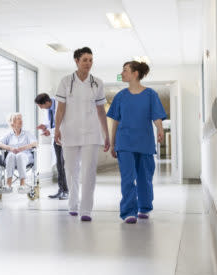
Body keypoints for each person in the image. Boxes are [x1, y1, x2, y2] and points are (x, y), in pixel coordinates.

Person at [107, 61, 167, 224]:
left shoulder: (150, 94)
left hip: (145, 142)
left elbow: (156, 115)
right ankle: (128, 212)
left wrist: (160, 129)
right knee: (127, 178)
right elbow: (115, 122)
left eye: (125, 70)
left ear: (135, 74)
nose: (122, 73)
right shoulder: (120, 96)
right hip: (124, 142)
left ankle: (144, 207)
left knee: (144, 178)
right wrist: (113, 144)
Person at [54, 47, 110, 222]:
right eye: (85, 60)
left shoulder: (97, 83)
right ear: (76, 61)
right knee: (71, 171)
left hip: (92, 133)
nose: (88, 63)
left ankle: (86, 210)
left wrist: (106, 134)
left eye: (91, 60)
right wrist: (56, 128)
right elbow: (60, 108)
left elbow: (101, 111)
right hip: (69, 132)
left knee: (88, 172)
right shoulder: (65, 81)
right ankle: (73, 203)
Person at [35, 93, 68, 200]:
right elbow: (52, 124)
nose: (41, 108)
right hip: (56, 138)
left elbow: (64, 123)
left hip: (65, 138)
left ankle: (66, 191)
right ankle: (61, 189)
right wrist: (45, 127)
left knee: (64, 164)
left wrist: (50, 131)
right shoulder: (48, 109)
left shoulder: (61, 104)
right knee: (59, 165)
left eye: (41, 106)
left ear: (47, 102)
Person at [0, 113, 38, 194]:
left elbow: (35, 144)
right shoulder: (9, 135)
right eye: (18, 119)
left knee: (20, 155)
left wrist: (21, 148)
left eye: (21, 119)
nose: (21, 120)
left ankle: (22, 184)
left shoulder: (27, 134)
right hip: (11, 159)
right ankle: (8, 185)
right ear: (12, 123)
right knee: (11, 154)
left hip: (25, 157)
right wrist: (10, 148)